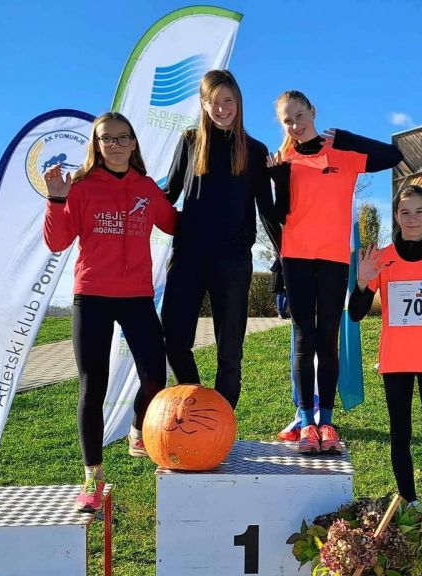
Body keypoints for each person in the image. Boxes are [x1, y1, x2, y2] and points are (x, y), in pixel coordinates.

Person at [43, 112, 178, 512]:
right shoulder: (82, 187)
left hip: (137, 297)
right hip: (92, 297)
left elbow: (175, 224)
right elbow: (57, 241)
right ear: (97, 145)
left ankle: (138, 429)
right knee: (93, 386)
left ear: (134, 143)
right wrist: (56, 199)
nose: (115, 145)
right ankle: (92, 476)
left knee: (155, 376)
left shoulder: (146, 189)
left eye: (122, 138)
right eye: (107, 139)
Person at [270, 90, 402, 453]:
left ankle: (326, 423)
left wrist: (345, 137)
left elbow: (393, 156)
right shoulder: (284, 158)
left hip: (333, 259)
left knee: (328, 339)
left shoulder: (342, 153)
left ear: (313, 111)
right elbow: (278, 214)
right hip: (296, 258)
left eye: (300, 115)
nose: (296, 125)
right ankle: (306, 422)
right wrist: (277, 178)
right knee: (303, 338)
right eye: (287, 121)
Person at [162, 70, 282, 410]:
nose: (221, 108)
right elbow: (168, 193)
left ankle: (221, 421)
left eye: (228, 100)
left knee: (230, 352)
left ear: (238, 102)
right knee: (173, 339)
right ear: (203, 104)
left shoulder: (255, 151)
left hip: (232, 262)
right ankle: (197, 406)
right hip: (188, 257)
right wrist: (127, 198)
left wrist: (284, 256)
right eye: (213, 102)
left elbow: (267, 211)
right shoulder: (190, 142)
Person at [349, 185, 422, 518]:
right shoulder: (380, 259)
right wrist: (362, 282)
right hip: (397, 361)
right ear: (396, 216)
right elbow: (355, 313)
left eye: (419, 211)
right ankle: (409, 505)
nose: (412, 219)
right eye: (405, 212)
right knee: (400, 435)